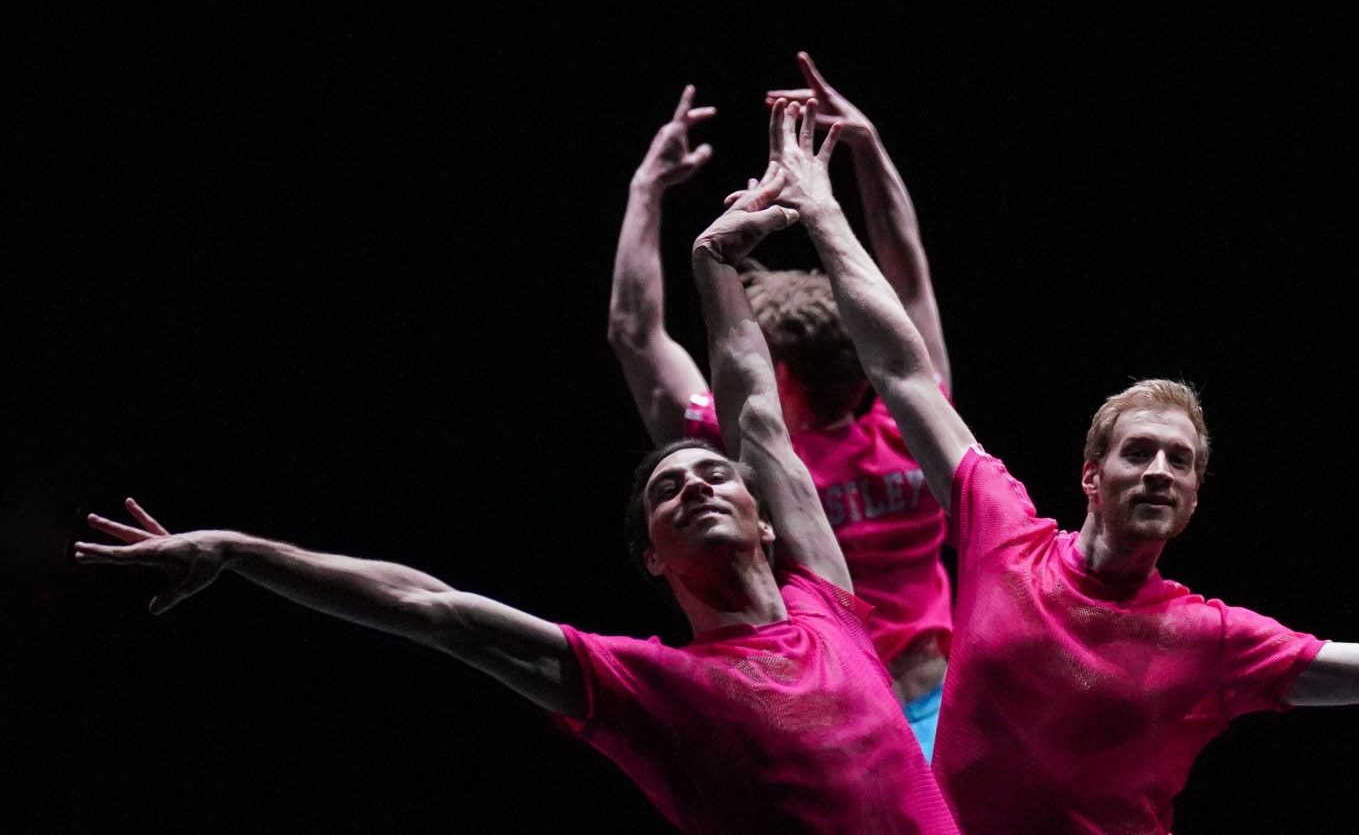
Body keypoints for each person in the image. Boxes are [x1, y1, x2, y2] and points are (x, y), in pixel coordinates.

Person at [759, 98, 1359, 835]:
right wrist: (822, 208)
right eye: (1139, 451)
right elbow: (901, 367)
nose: (1159, 470)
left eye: (1179, 462)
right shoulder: (1003, 531)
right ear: (1091, 473)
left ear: (1191, 498)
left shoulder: (1209, 639)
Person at [75, 167, 959, 835]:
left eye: (714, 473)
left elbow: (756, 413)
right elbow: (431, 608)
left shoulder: (828, 601)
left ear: (769, 519)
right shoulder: (649, 684)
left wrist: (714, 257)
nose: (696, 480)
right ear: (651, 557)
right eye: (666, 487)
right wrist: (239, 549)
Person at [607, 53, 953, 754]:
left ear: (779, 374)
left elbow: (634, 333)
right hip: (949, 703)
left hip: (836, 714)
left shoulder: (735, 453)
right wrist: (866, 147)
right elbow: (909, 279)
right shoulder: (917, 426)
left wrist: (648, 186)